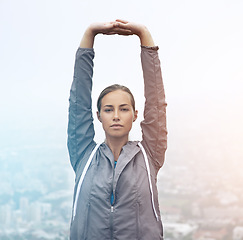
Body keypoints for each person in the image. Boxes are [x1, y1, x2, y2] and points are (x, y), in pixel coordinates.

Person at [67, 19, 167, 239]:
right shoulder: (83, 154)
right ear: (98, 116)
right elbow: (78, 102)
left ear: (135, 115)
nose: (116, 116)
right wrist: (90, 33)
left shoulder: (149, 154)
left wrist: (144, 35)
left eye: (123, 109)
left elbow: (156, 102)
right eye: (108, 109)